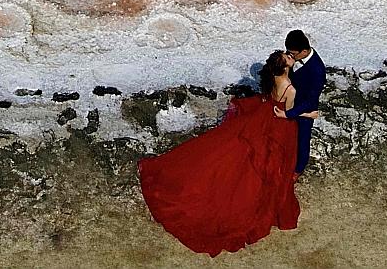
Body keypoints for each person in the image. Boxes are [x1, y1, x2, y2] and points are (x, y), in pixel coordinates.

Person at [138, 51, 300, 255]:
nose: (291, 57)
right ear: (284, 67)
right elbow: (289, 113)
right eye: (289, 57)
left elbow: (272, 99)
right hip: (278, 125)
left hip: (263, 115)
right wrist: (309, 112)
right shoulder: (290, 89)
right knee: (272, 164)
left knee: (234, 153)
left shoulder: (275, 80)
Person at [278, 29, 325, 176]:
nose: (288, 56)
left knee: (302, 143)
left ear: (304, 51)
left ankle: (296, 172)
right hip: (287, 102)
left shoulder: (317, 71)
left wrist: (289, 114)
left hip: (304, 111)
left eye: (292, 53)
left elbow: (310, 100)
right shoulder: (293, 56)